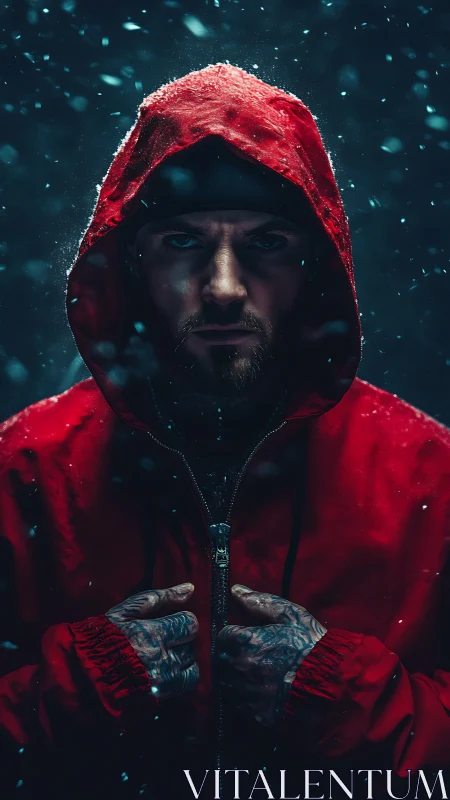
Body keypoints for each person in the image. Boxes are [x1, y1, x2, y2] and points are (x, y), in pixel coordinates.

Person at [1, 63, 450, 800]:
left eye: (266, 243)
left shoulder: (429, 477)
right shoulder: (22, 472)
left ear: (313, 265)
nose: (223, 287)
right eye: (183, 242)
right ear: (132, 263)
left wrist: (346, 700)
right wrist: (72, 694)